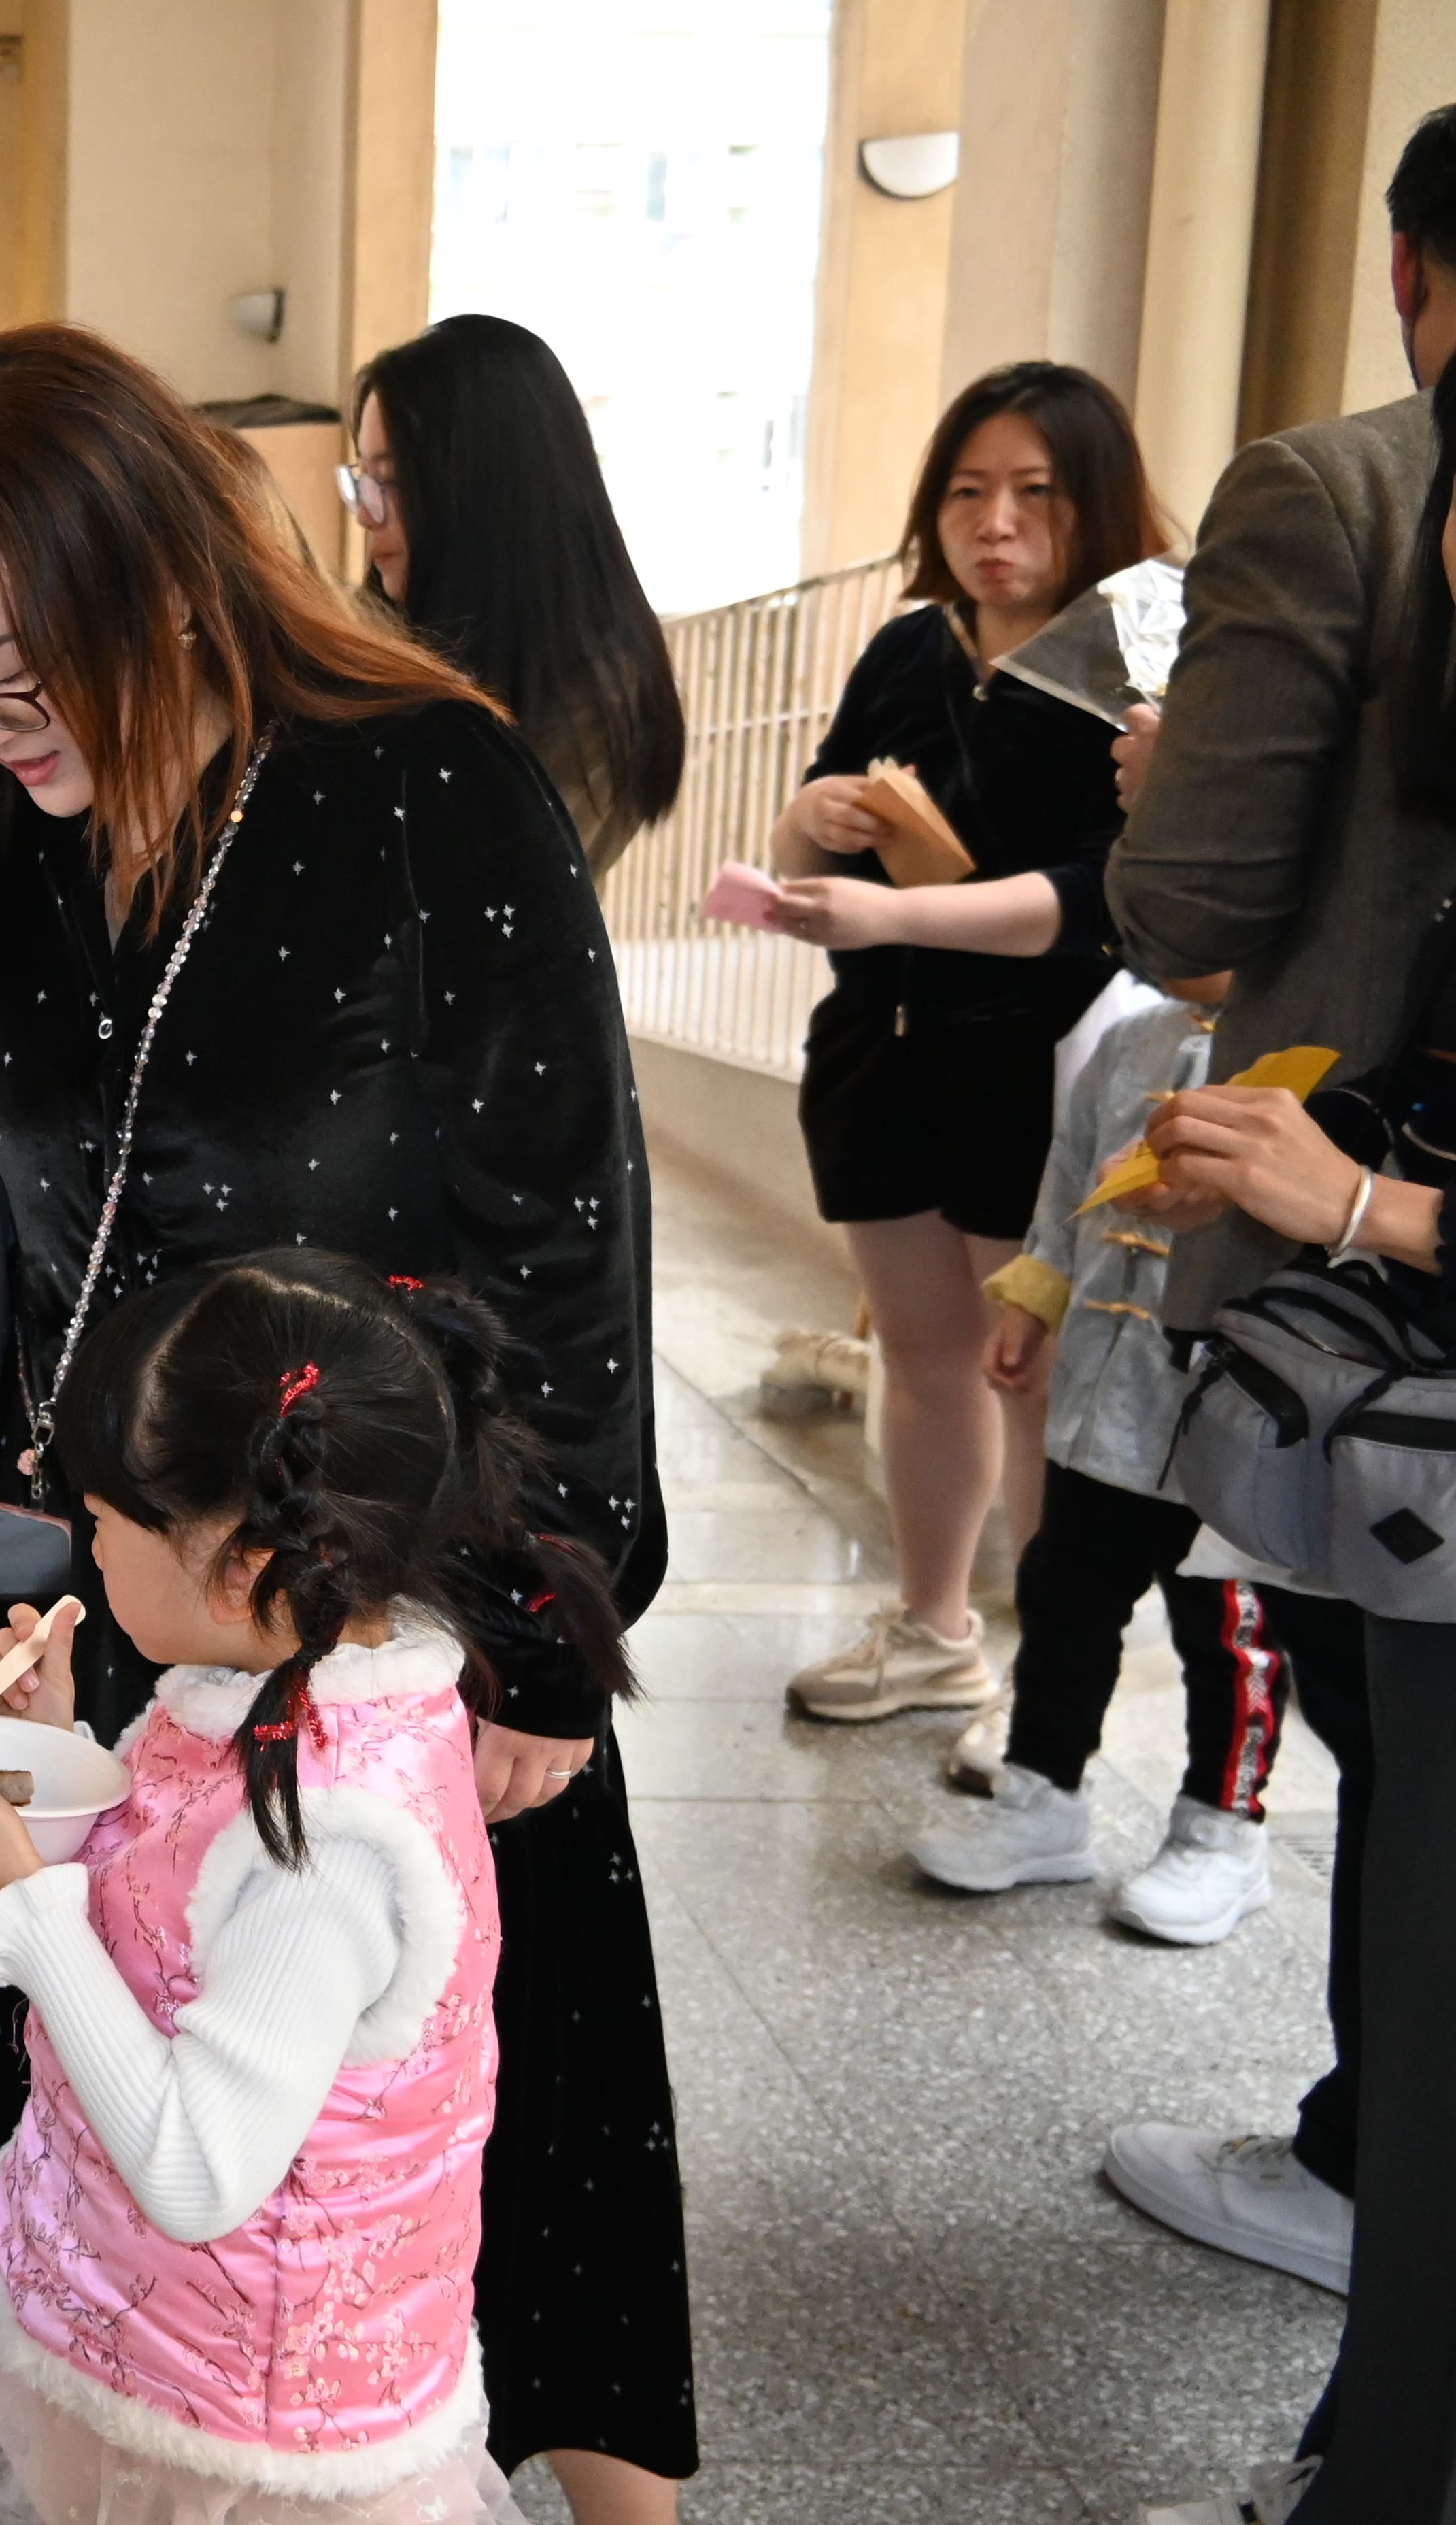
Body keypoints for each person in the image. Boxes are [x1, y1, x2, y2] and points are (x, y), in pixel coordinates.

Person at [0, 324, 694, 2522]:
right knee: (101, 2172)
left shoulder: (421, 784)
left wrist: (549, 1632)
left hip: (402, 1597)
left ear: (162, 583)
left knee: (488, 2174)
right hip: (108, 1593)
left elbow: (563, 1230)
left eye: (18, 678)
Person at [0, 1254, 629, 2525]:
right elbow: (170, 1900)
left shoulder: (325, 1846)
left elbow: (194, 2168)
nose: (89, 1548)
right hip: (146, 2327)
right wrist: (57, 1760)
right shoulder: (267, 1691)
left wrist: (21, 1907)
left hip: (240, 2433)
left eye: (105, 1522)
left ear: (239, 1565)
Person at [1110, 114, 1456, 2516]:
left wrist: (1366, 1209)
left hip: (1372, 1300)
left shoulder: (1334, 487)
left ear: (1409, 270)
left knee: (1411, 1828)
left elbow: (1189, 897)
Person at [764, 363, 1170, 1729]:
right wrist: (814, 822)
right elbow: (806, 831)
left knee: (1031, 1377)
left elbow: (1105, 895)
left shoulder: (1138, 658)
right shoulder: (908, 649)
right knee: (925, 1355)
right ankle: (934, 1630)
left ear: (1095, 502)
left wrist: (897, 910)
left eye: (1034, 493)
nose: (994, 522)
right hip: (881, 1052)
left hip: (1039, 1068)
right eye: (966, 491)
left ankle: (1049, 1699)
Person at [902, 970, 1369, 1971]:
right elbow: (1067, 1176)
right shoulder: (1127, 1038)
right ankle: (1042, 1795)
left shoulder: (1321, 1046)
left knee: (1230, 1635)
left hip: (1228, 1422)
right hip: (1100, 1408)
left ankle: (1221, 1829)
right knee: (1063, 1598)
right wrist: (1033, 1300)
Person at [342, 314, 684, 877]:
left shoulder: (600, 696)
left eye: (393, 480)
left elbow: (469, 891)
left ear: (485, 491)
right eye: (362, 481)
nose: (364, 514)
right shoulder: (381, 631)